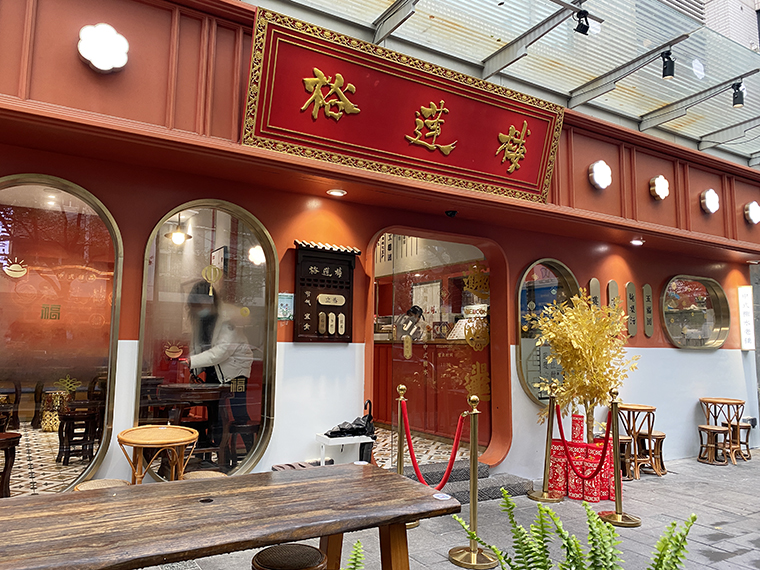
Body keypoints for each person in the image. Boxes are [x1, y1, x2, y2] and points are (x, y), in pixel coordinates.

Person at [180, 281, 254, 450]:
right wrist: (194, 370)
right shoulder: (201, 319)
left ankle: (250, 451)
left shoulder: (227, 318)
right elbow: (198, 346)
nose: (199, 306)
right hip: (214, 370)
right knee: (214, 411)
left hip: (235, 372)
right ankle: (219, 451)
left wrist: (192, 362)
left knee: (238, 411)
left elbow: (222, 351)